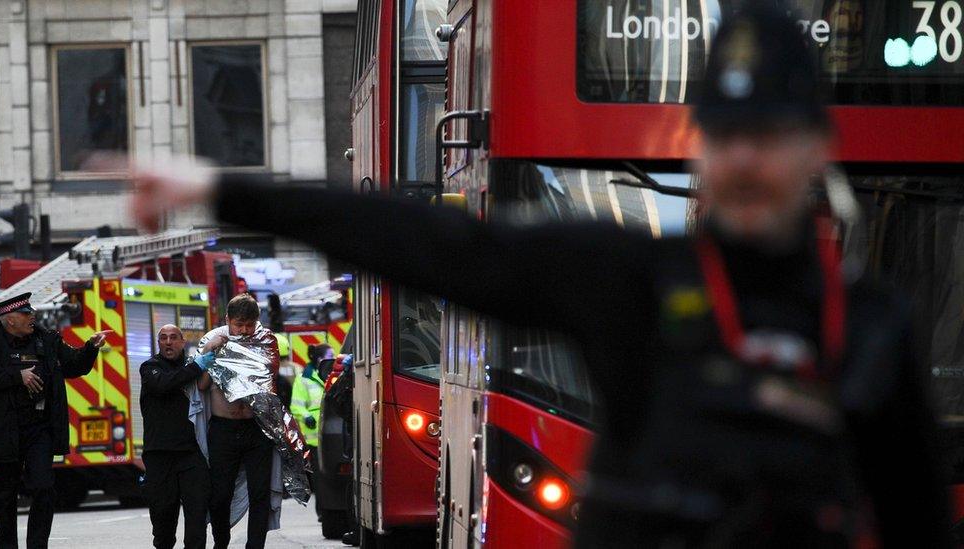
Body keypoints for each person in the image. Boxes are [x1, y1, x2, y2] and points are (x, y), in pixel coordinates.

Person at [130, 6, 950, 547]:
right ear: (699, 143)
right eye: (727, 134)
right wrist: (222, 188)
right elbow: (425, 241)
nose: (745, 160)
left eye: (768, 135)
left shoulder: (872, 328)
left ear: (814, 145)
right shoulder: (633, 278)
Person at [0, 292, 108, 549]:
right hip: (5, 430)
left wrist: (90, 348)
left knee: (43, 487)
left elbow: (74, 366)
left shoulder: (47, 340)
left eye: (32, 312)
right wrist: (17, 376)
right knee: (5, 497)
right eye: (26, 314)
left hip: (38, 428)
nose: (33, 317)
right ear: (10, 320)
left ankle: (37, 545)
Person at [196, 293, 279, 549]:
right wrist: (212, 352)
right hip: (224, 429)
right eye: (238, 324)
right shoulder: (213, 340)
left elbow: (270, 382)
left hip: (256, 428)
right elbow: (200, 385)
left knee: (260, 494)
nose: (243, 330)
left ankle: (255, 546)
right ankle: (221, 542)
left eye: (249, 325)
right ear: (228, 320)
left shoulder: (266, 341)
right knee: (220, 495)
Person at [139, 324, 210, 549]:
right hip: (160, 455)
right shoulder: (150, 368)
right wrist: (197, 368)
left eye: (173, 338)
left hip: (191, 455)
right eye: (163, 338)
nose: (168, 342)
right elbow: (162, 385)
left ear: (182, 342)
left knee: (197, 518)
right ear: (158, 343)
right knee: (163, 523)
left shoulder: (192, 368)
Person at [290, 354, 326, 519]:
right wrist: (306, 417)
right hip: (313, 437)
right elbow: (296, 405)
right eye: (327, 356)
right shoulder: (304, 378)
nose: (329, 360)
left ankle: (326, 510)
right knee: (319, 475)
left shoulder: (330, 376)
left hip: (329, 434)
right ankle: (322, 511)